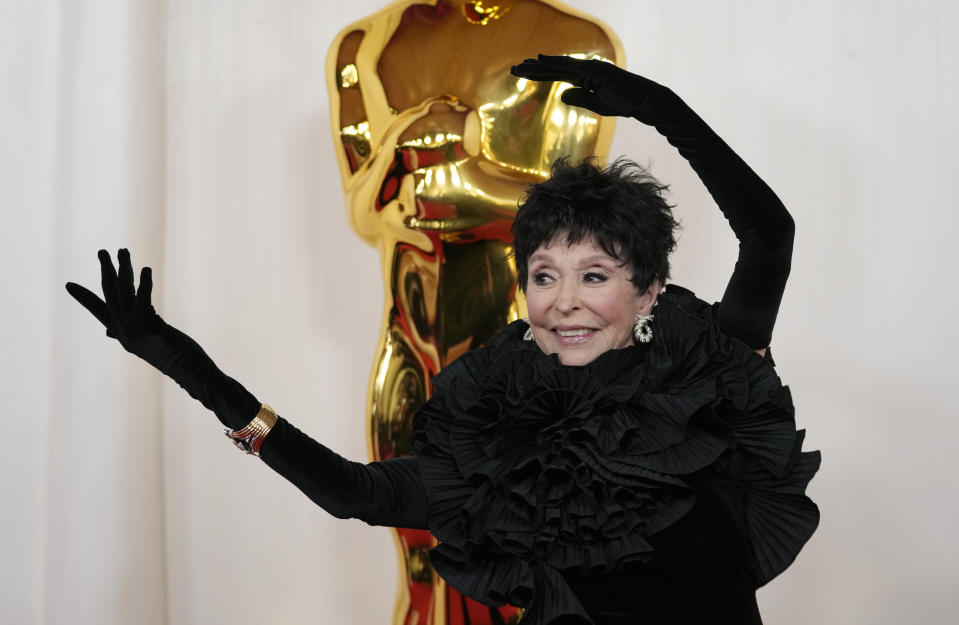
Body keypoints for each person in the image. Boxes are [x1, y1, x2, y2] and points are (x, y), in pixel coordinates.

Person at [66, 56, 819, 625]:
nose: (564, 302)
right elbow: (352, 493)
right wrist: (176, 357)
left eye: (594, 275)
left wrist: (658, 107)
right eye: (544, 275)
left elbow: (768, 236)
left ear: (648, 288)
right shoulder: (500, 436)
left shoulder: (703, 379)